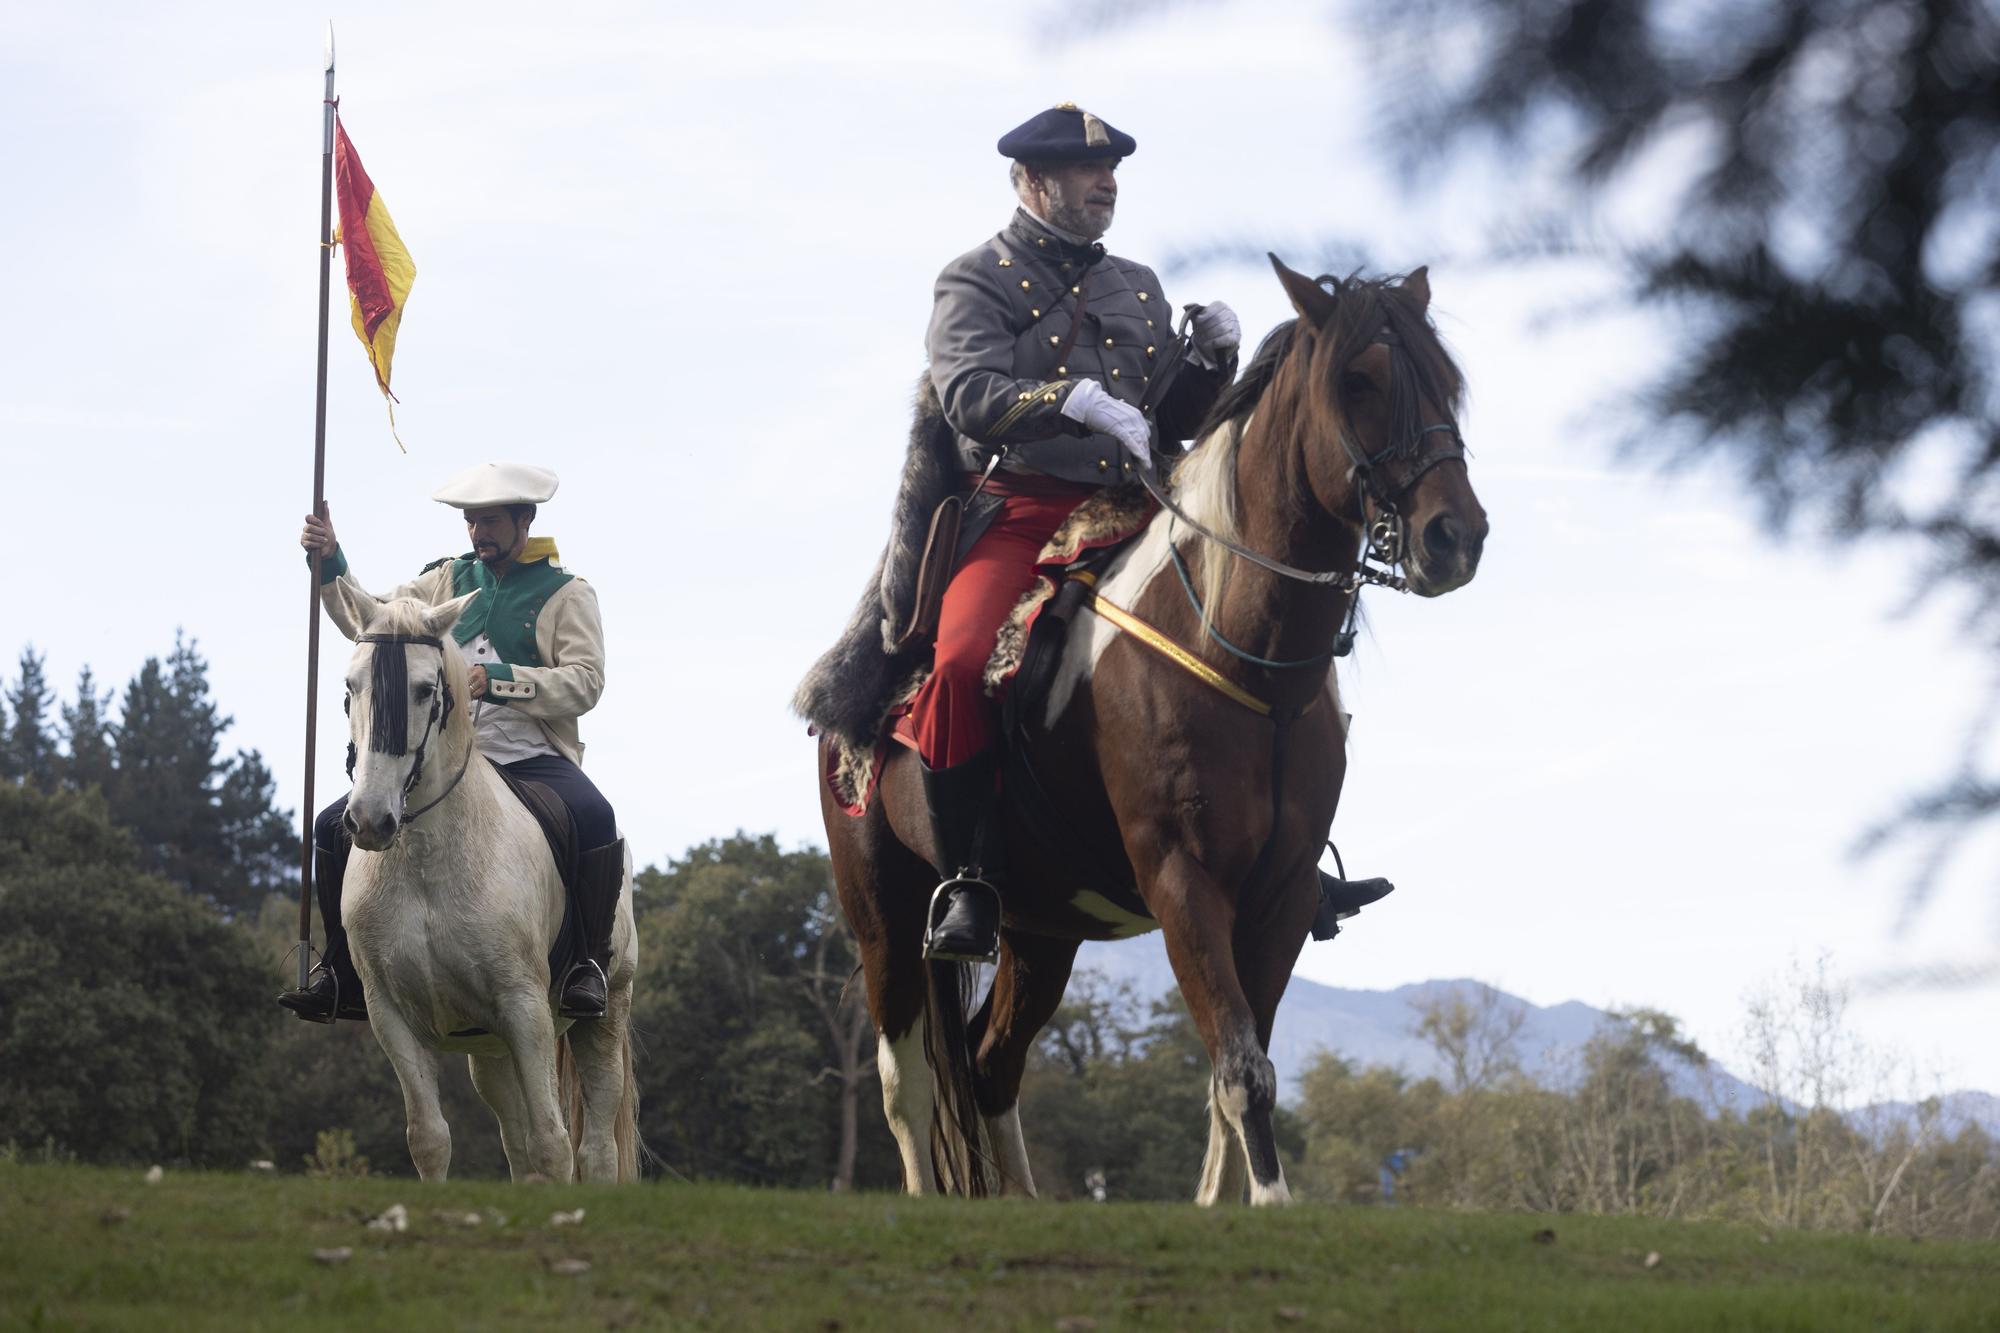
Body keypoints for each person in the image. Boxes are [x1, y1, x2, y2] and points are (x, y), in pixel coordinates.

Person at [913, 103, 1241, 961]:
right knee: (957, 660)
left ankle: (1286, 853)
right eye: (1087, 174)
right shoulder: (973, 278)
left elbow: (1167, 419)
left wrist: (1211, 363)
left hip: (1135, 508)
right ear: (1032, 181)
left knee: (1252, 615)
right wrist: (1067, 400)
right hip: (1021, 505)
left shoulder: (1138, 284)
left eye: (1113, 174)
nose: (1107, 185)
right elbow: (969, 397)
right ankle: (969, 881)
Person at [277, 462, 623, 1022]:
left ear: (524, 519)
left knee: (595, 815)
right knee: (328, 826)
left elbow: (586, 682)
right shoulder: (443, 579)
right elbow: (365, 619)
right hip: (442, 763)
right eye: (471, 522)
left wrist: (506, 680)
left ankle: (587, 962)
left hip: (530, 758)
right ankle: (342, 969)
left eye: (489, 522)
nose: (478, 533)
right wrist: (330, 558)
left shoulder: (568, 594)